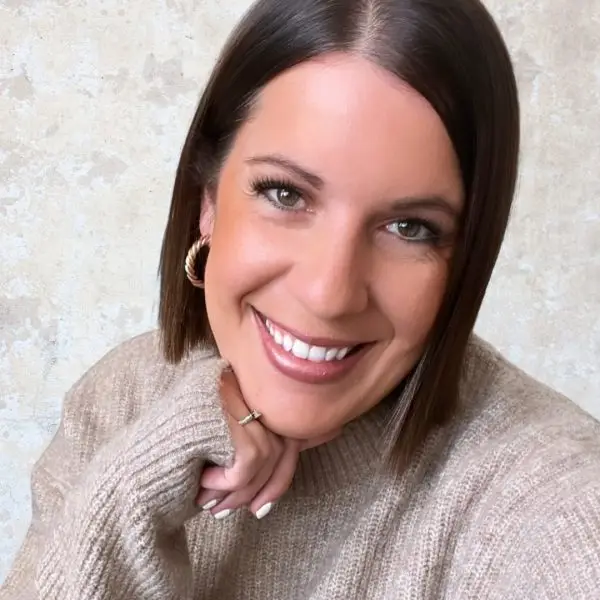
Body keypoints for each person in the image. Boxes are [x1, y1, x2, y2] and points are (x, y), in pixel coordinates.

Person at [2, 0, 600, 598]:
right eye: (285, 194)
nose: (329, 294)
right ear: (208, 201)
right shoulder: (117, 404)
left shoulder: (558, 503)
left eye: (411, 227)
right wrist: (139, 480)